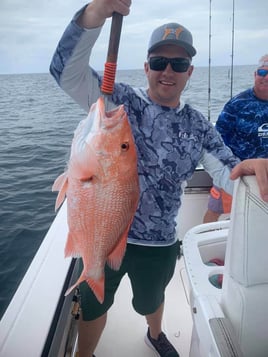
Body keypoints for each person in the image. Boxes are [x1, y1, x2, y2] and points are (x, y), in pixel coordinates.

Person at [49, 2, 268, 356]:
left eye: (178, 63)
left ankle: (155, 333)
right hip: (101, 235)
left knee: (152, 299)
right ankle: (84, 354)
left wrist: (254, 171)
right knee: (93, 306)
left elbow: (230, 172)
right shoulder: (118, 103)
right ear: (147, 66)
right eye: (160, 62)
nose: (169, 71)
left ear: (190, 71)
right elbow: (64, 71)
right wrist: (93, 14)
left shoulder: (198, 126)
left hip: (159, 242)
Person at [203, 54, 268, 223]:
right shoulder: (237, 103)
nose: (266, 77)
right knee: (214, 212)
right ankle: (204, 248)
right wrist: (232, 169)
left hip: (265, 175)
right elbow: (216, 140)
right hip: (236, 172)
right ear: (255, 75)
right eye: (262, 72)